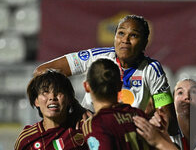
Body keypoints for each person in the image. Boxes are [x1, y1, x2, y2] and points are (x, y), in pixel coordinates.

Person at [34, 14, 173, 118]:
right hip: (89, 129)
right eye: (121, 33)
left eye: (134, 35)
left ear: (144, 43)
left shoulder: (153, 69)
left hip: (128, 136)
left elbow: (166, 115)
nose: (125, 40)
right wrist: (74, 105)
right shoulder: (97, 57)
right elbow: (41, 71)